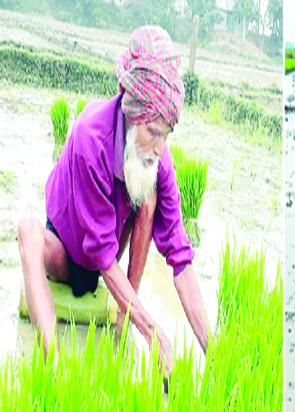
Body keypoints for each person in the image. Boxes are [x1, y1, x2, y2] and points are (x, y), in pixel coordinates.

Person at [17, 26, 210, 374]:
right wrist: (153, 331)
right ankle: (55, 367)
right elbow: (103, 255)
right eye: (153, 132)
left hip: (107, 264)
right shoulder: (91, 137)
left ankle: (124, 318)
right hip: (68, 249)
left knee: (148, 199)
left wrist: (215, 350)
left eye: (166, 135)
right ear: (133, 113)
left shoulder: (159, 160)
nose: (159, 148)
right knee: (28, 231)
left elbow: (180, 257)